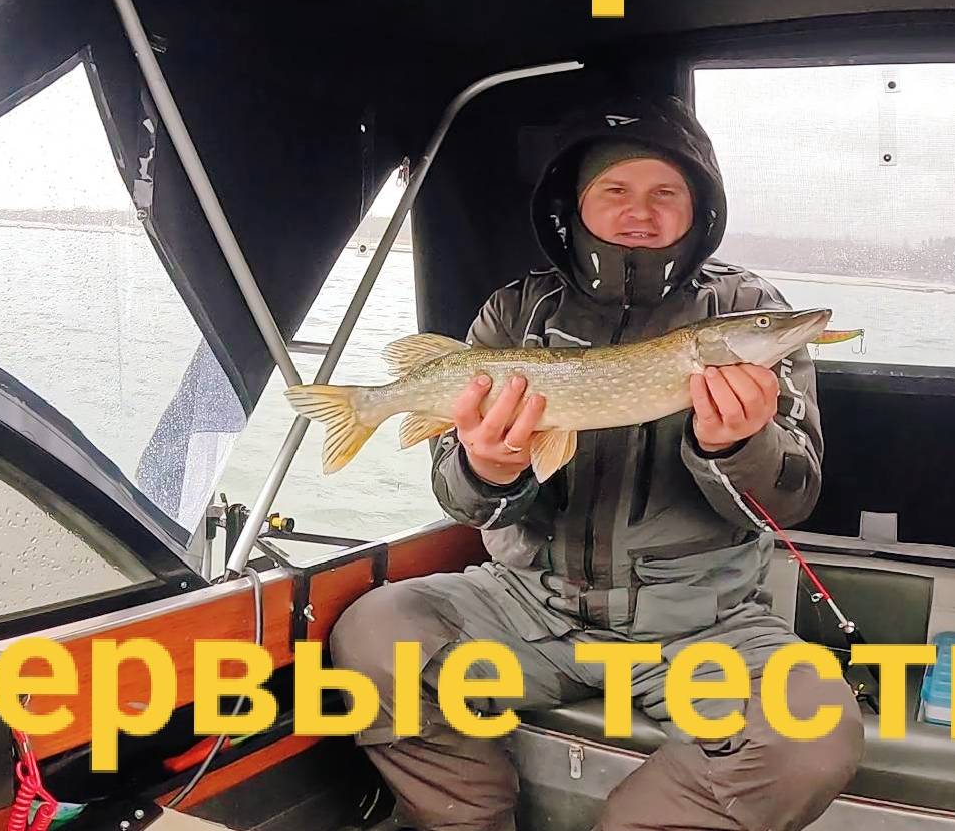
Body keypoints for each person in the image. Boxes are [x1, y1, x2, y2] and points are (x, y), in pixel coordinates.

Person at [330, 88, 864, 831]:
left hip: (701, 625)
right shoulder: (517, 312)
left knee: (813, 733)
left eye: (665, 192)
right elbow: (461, 498)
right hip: (527, 607)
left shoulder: (745, 310)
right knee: (374, 633)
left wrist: (738, 446)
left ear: (700, 207)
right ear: (575, 204)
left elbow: (792, 497)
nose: (640, 210)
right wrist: (491, 468)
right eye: (615, 189)